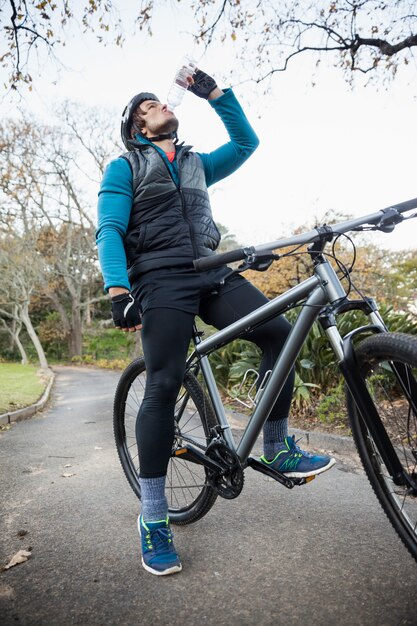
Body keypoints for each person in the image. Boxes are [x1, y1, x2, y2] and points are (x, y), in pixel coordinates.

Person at [96, 68, 335, 576]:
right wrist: (119, 291)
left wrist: (217, 95)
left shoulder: (196, 163)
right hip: (160, 279)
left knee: (279, 331)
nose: (161, 105)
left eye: (161, 101)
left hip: (210, 269)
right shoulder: (126, 166)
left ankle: (276, 448)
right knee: (162, 384)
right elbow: (110, 229)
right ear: (139, 128)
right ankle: (154, 519)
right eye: (149, 106)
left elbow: (246, 141)